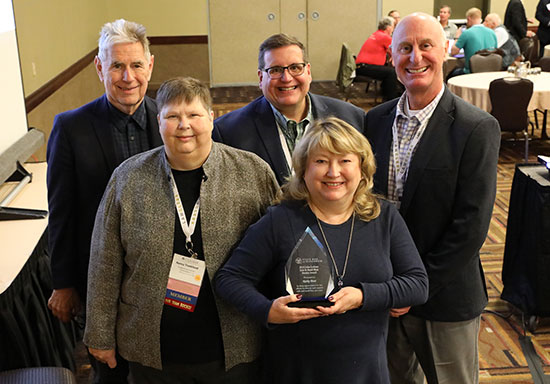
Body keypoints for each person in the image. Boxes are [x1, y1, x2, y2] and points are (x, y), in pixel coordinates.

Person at [83, 77, 279, 383]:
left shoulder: (252, 172)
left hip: (235, 342)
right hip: (151, 347)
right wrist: (100, 334)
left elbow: (279, 253)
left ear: (212, 118)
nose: (183, 125)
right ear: (159, 121)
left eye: (194, 115)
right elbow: (104, 263)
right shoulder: (128, 178)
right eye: (173, 116)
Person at [215, 117, 428, 384]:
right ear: (303, 170)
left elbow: (417, 284)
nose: (333, 172)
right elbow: (230, 279)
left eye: (345, 160)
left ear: (362, 169)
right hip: (296, 371)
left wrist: (363, 296)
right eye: (321, 161)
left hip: (366, 371)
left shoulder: (383, 217)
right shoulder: (280, 220)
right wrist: (267, 310)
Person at [365, 13, 500, 384]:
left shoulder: (476, 128)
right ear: (391, 57)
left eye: (426, 46)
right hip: (382, 293)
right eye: (405, 48)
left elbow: (470, 227)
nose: (416, 57)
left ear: (445, 50)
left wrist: (415, 287)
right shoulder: (373, 121)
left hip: (444, 296)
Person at [46, 18, 161, 383]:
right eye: (116, 66)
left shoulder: (171, 120)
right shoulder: (70, 127)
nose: (128, 77)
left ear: (150, 65)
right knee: (109, 371)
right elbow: (61, 212)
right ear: (100, 67)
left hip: (161, 278)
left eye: (136, 65)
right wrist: (63, 283)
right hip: (99, 280)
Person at [212, 33, 366, 185]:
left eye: (295, 67)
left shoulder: (351, 118)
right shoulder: (228, 132)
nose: (286, 78)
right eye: (275, 70)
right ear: (261, 78)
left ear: (308, 72)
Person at [356, 17, 402, 102]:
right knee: (391, 72)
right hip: (365, 67)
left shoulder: (376, 34)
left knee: (388, 71)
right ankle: (391, 100)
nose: (393, 29)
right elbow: (398, 50)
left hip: (361, 66)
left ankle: (387, 95)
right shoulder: (384, 37)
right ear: (388, 28)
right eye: (392, 27)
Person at [449, 8, 498, 76]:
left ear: (469, 19)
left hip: (470, 72)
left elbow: (453, 52)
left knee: (450, 74)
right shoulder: (492, 33)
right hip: (489, 73)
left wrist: (457, 37)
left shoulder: (466, 33)